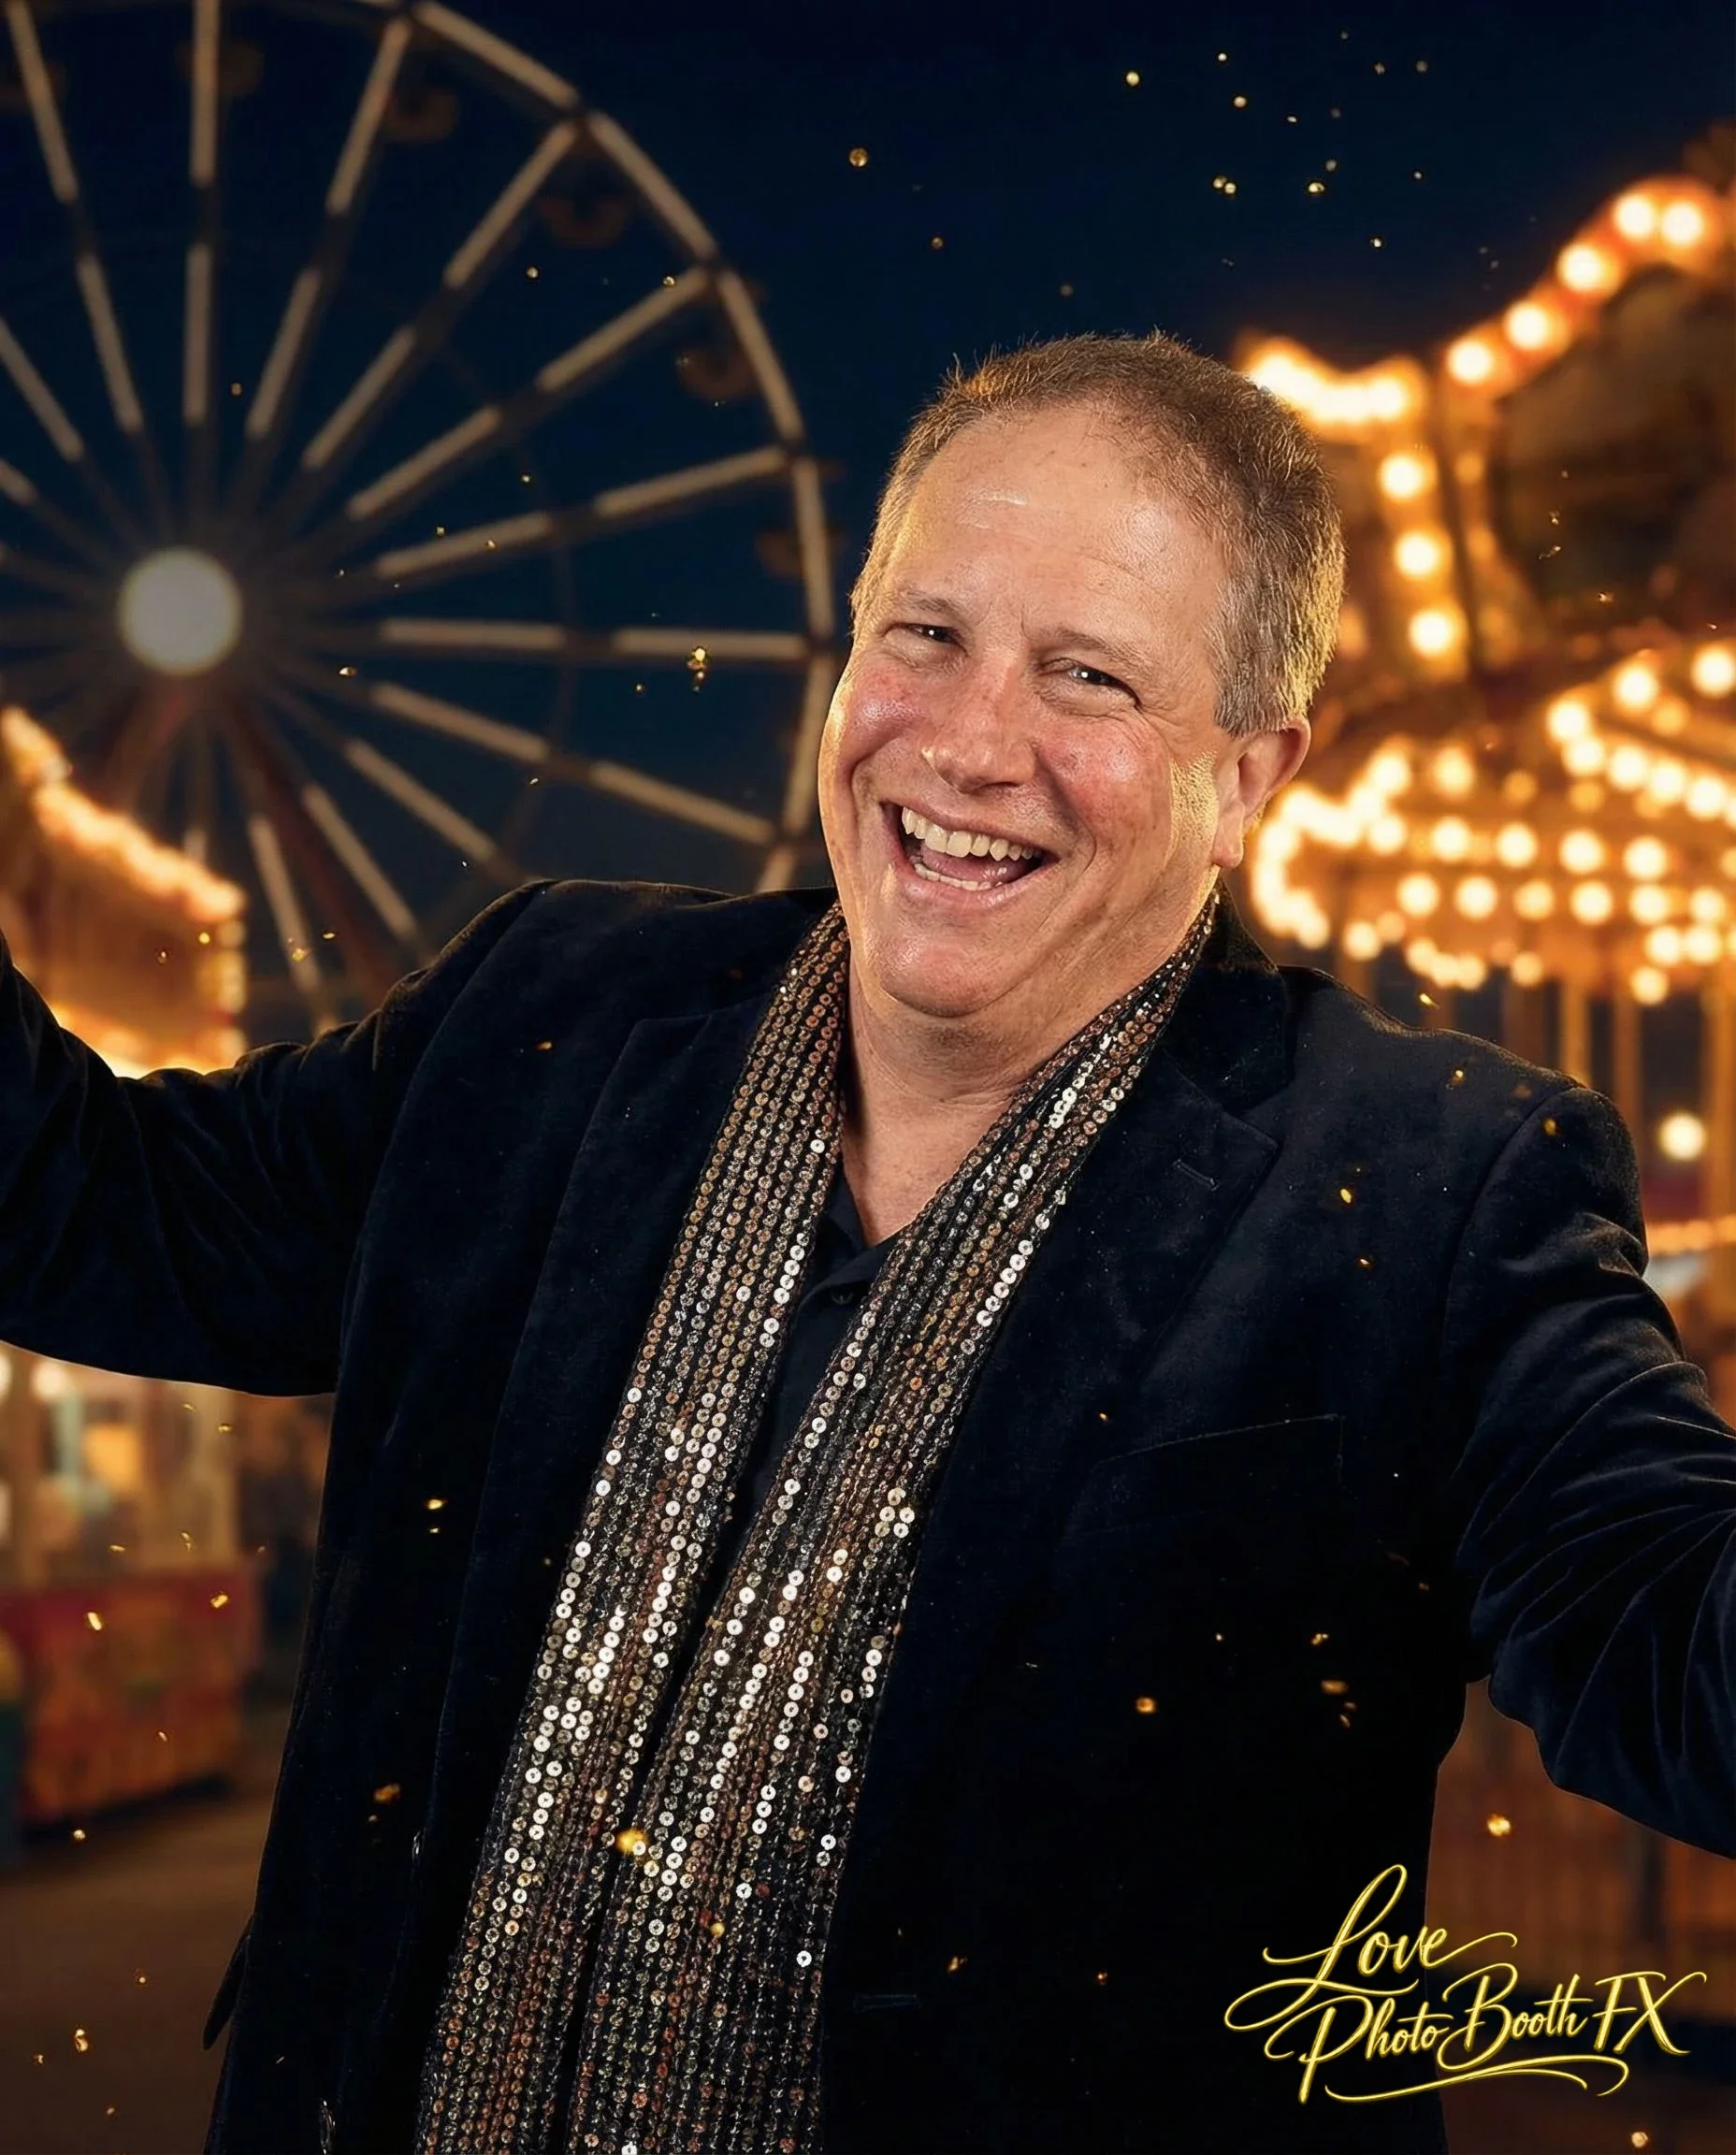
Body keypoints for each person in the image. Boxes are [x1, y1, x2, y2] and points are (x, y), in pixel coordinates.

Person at [0, 334, 1731, 2155]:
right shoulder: (545, 1019)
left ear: (1246, 776)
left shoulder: (1441, 1191)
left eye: (1087, 676)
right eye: (925, 636)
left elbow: (1674, 1649)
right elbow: (85, 1201)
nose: (972, 745)